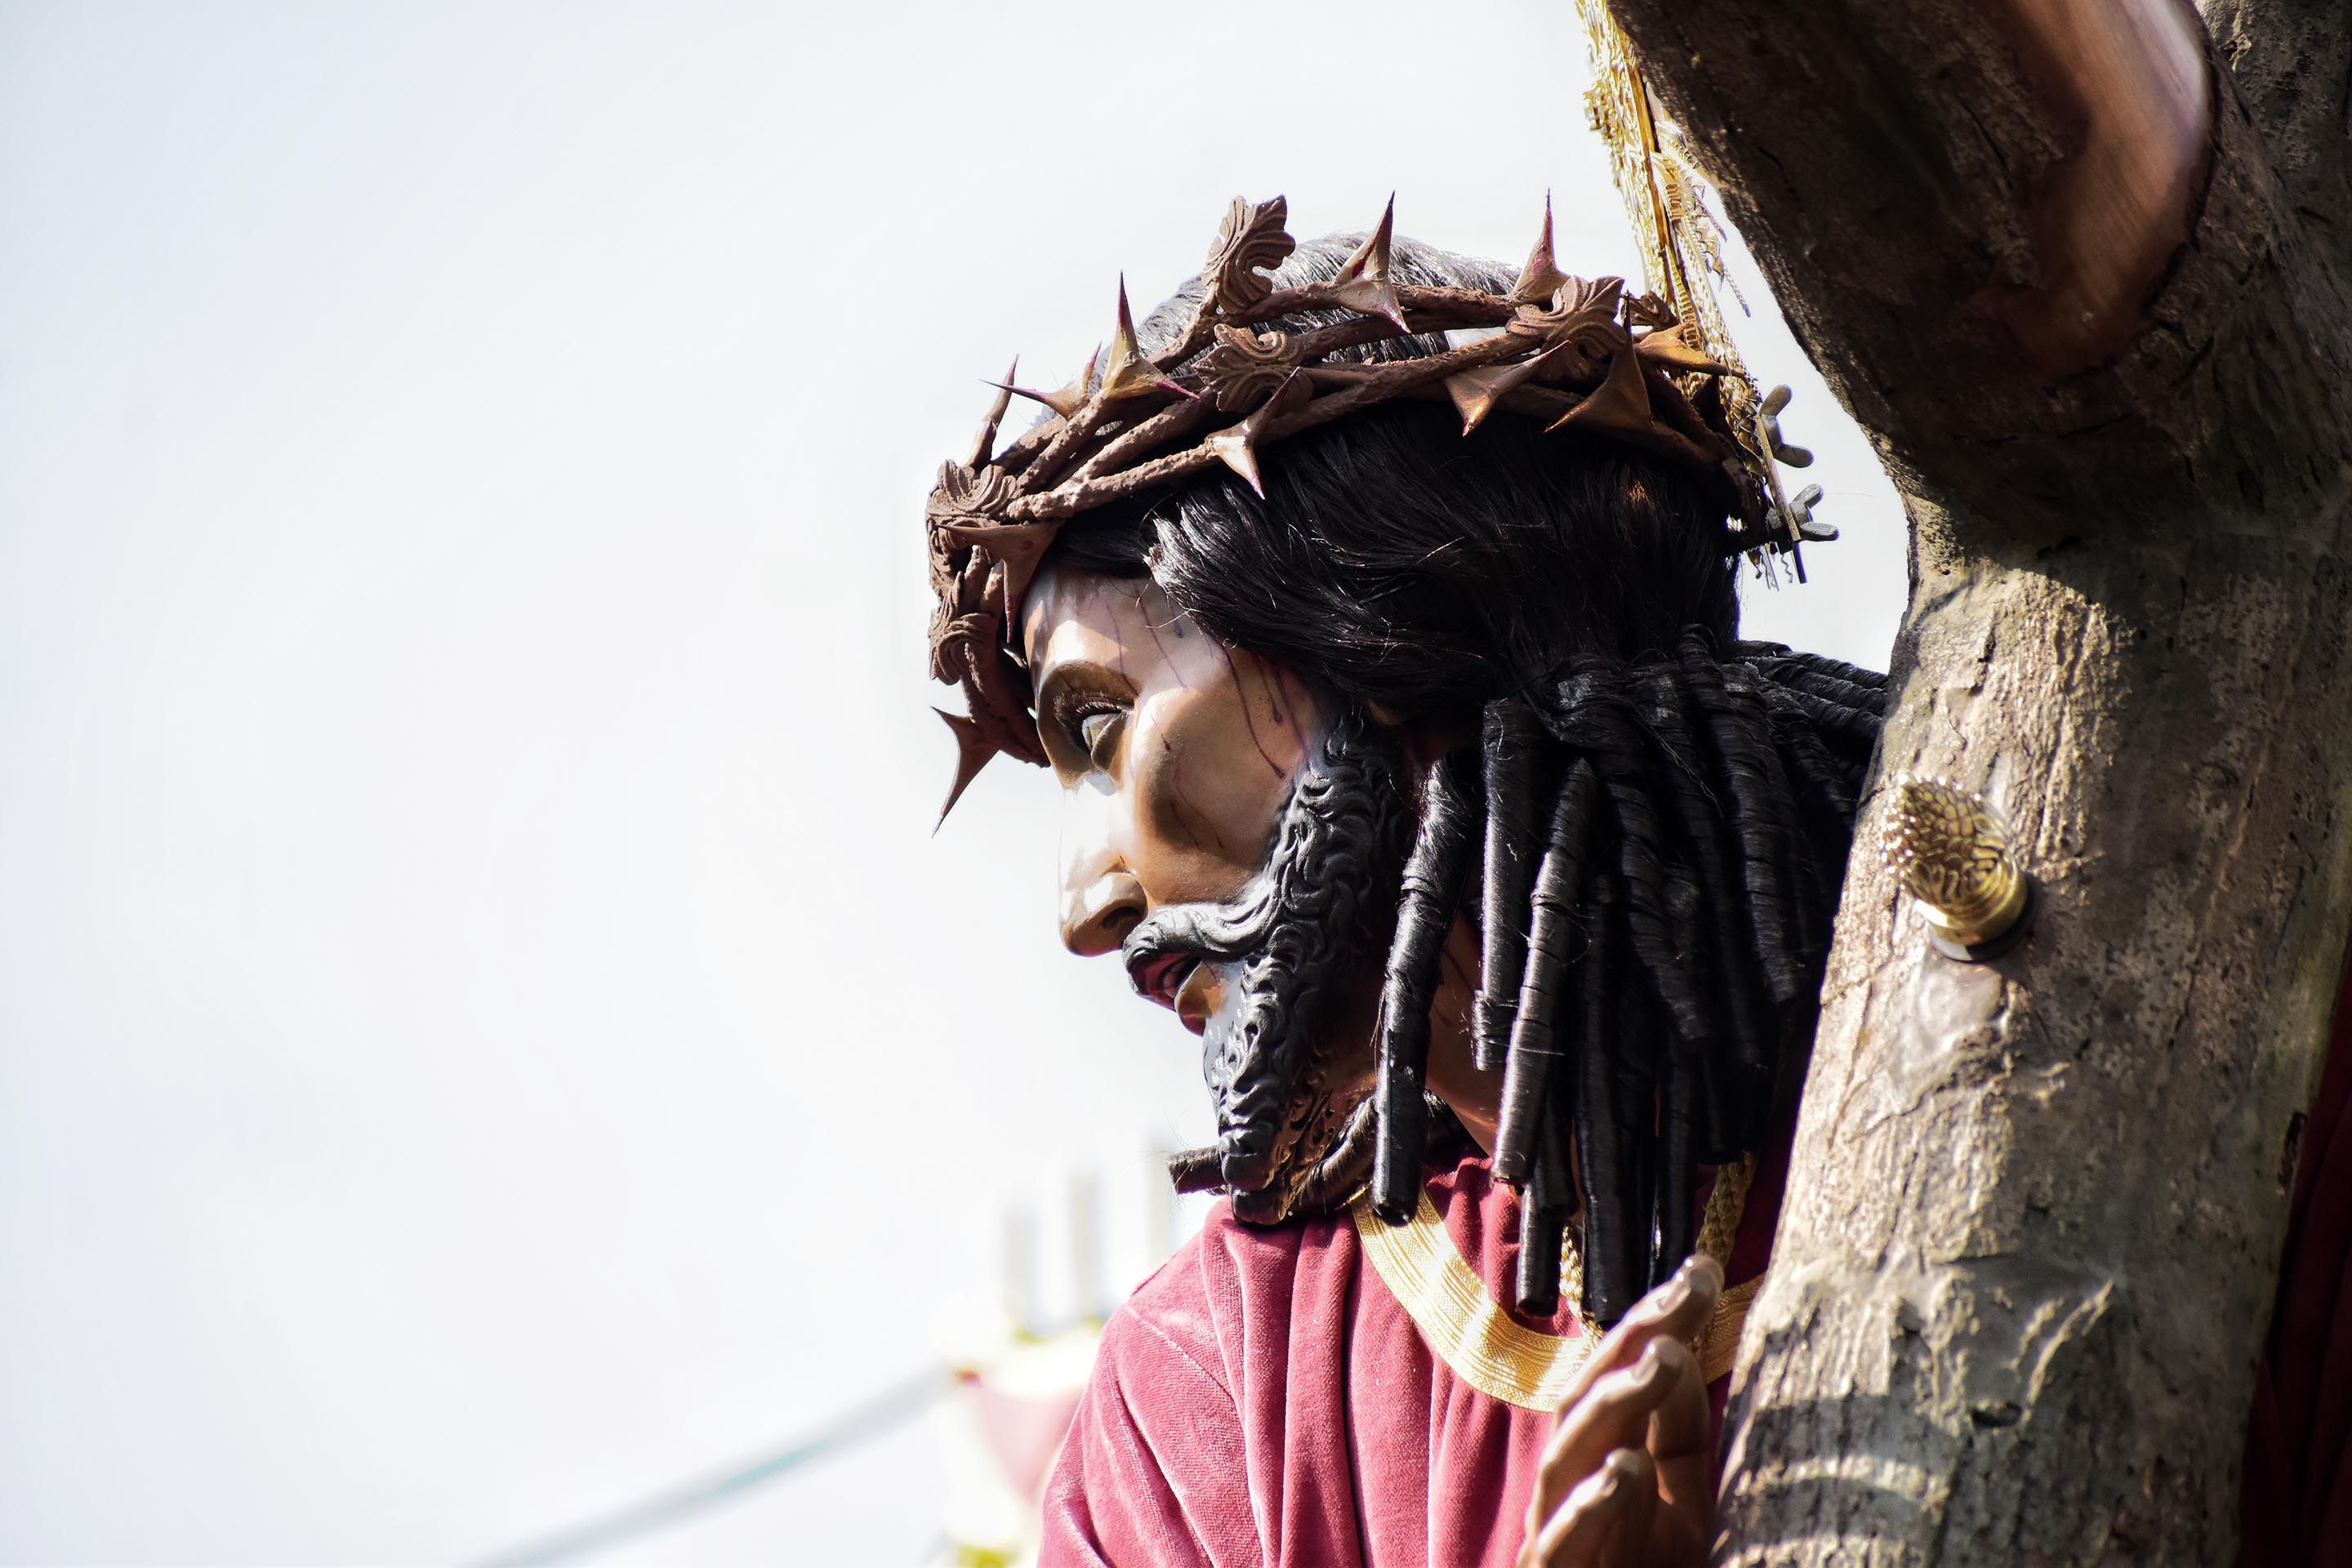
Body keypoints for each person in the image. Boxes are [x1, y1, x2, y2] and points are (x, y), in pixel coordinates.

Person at [924, 194, 1883, 1566]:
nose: (1090, 905)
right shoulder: (1201, 1395)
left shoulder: (2016, 1025)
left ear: (1376, 632)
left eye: (1099, 725)